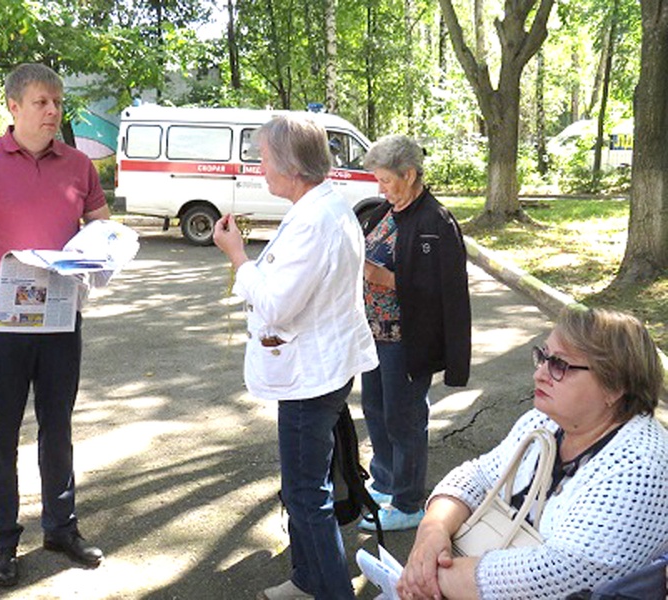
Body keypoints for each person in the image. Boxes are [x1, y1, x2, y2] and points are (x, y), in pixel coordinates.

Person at [0, 63, 110, 587]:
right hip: (2, 321)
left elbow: (100, 232)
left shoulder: (80, 165)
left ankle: (61, 528)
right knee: (0, 436)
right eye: (41, 102)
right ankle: (2, 543)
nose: (53, 111)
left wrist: (103, 249)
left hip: (60, 318)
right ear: (13, 107)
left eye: (57, 102)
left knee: (58, 429)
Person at [213, 114, 378, 600]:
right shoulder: (321, 207)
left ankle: (330, 590)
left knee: (308, 495)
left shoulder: (315, 220)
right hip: (319, 368)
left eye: (263, 156)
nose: (259, 167)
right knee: (305, 485)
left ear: (289, 163)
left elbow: (278, 308)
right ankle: (308, 579)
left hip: (312, 377)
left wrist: (238, 257)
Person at [399, 307, 668, 600]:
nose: (539, 373)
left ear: (615, 386)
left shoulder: (641, 467)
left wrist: (430, 578)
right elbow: (477, 476)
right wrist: (432, 532)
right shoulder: (545, 422)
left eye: (560, 365)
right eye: (543, 356)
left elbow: (561, 573)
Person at [357, 134, 471, 533]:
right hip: (373, 334)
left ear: (409, 174)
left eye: (386, 180)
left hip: (406, 340)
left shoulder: (435, 221)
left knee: (404, 419)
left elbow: (445, 290)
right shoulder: (386, 211)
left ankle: (408, 503)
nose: (380, 188)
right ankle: (386, 482)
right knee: (375, 410)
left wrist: (383, 278)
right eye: (378, 181)